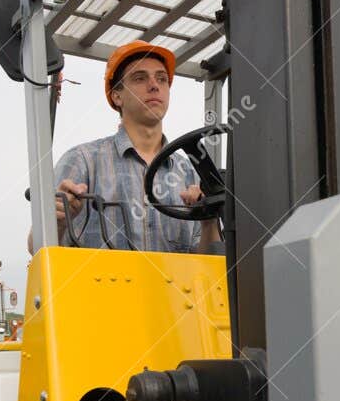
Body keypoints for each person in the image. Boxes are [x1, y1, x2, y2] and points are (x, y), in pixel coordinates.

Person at [52, 40, 217, 253]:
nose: (154, 85)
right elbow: (36, 245)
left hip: (174, 287)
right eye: (140, 78)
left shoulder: (191, 173)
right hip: (102, 286)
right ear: (117, 95)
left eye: (162, 79)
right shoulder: (83, 160)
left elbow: (208, 264)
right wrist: (58, 221)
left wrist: (209, 221)